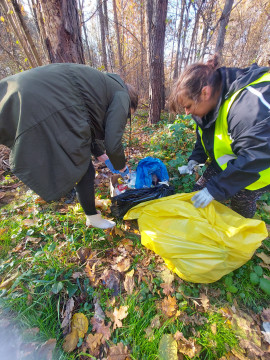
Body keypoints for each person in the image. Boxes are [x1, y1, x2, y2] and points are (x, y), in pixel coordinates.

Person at [0, 63, 138, 228]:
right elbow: (113, 142)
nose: (126, 117)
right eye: (128, 115)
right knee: (83, 167)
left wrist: (99, 152)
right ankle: (93, 218)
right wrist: (121, 166)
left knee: (80, 162)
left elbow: (89, 120)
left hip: (20, 92)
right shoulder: (122, 95)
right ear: (131, 104)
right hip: (44, 103)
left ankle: (86, 210)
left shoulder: (103, 86)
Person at [168, 55, 270, 218]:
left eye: (188, 106)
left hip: (257, 169)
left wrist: (215, 189)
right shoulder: (206, 105)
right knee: (199, 194)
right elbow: (206, 134)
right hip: (230, 159)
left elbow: (256, 156)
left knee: (240, 204)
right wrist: (196, 159)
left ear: (205, 93)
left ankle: (239, 237)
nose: (186, 112)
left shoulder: (247, 108)